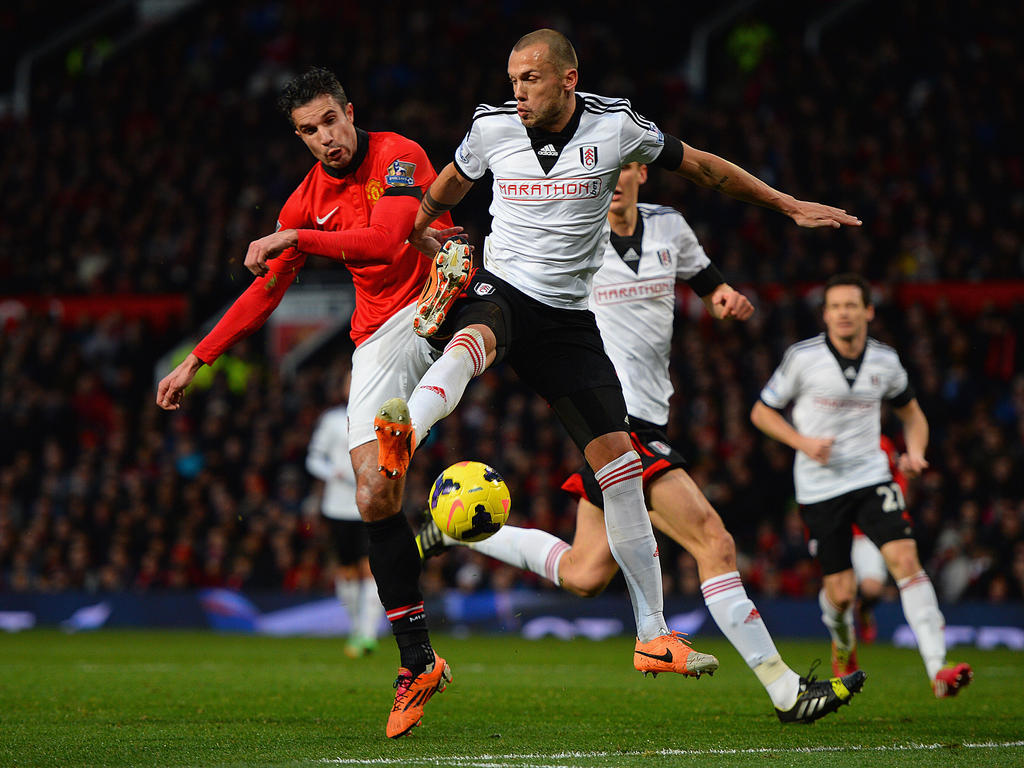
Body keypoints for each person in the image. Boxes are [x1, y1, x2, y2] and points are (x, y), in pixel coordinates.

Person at [375, 28, 860, 687]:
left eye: (531, 79)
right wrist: (423, 231)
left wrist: (784, 204)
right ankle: (406, 433)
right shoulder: (490, 128)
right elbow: (446, 187)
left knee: (622, 466)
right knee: (476, 336)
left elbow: (706, 168)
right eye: (512, 79)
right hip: (507, 289)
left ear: (567, 79)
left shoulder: (618, 126)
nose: (517, 91)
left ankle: (653, 638)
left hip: (569, 320)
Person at [416, 162, 865, 723]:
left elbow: (705, 277)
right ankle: (785, 690)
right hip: (613, 419)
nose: (620, 178)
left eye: (630, 168)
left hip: (652, 416)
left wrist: (723, 294)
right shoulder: (574, 233)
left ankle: (467, 531)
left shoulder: (671, 227)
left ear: (642, 175)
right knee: (713, 541)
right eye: (612, 169)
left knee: (584, 573)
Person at [155, 67, 465, 738]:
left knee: (457, 293)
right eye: (308, 130)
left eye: (330, 120)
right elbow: (264, 293)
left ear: (350, 111)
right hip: (377, 334)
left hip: (438, 300)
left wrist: (296, 238)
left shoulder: (398, 155)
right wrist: (197, 358)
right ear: (297, 136)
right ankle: (420, 659)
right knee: (372, 496)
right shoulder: (303, 202)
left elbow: (386, 240)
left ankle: (423, 439)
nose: (325, 138)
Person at [750, 273, 972, 698]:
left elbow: (912, 414)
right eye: (835, 306)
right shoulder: (803, 357)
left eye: (852, 305)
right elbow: (762, 412)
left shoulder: (885, 361)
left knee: (906, 562)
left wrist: (916, 450)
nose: (843, 313)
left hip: (872, 477)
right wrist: (803, 443)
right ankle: (844, 643)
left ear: (868, 311)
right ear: (826, 314)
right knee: (841, 593)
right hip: (818, 487)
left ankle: (938, 669)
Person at [306, 371, 385, 658]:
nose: (352, 384)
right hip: (337, 506)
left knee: (369, 568)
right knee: (346, 571)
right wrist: (334, 472)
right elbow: (313, 458)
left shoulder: (379, 417)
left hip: (368, 504)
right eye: (348, 379)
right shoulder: (331, 420)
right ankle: (355, 630)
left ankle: (367, 634)